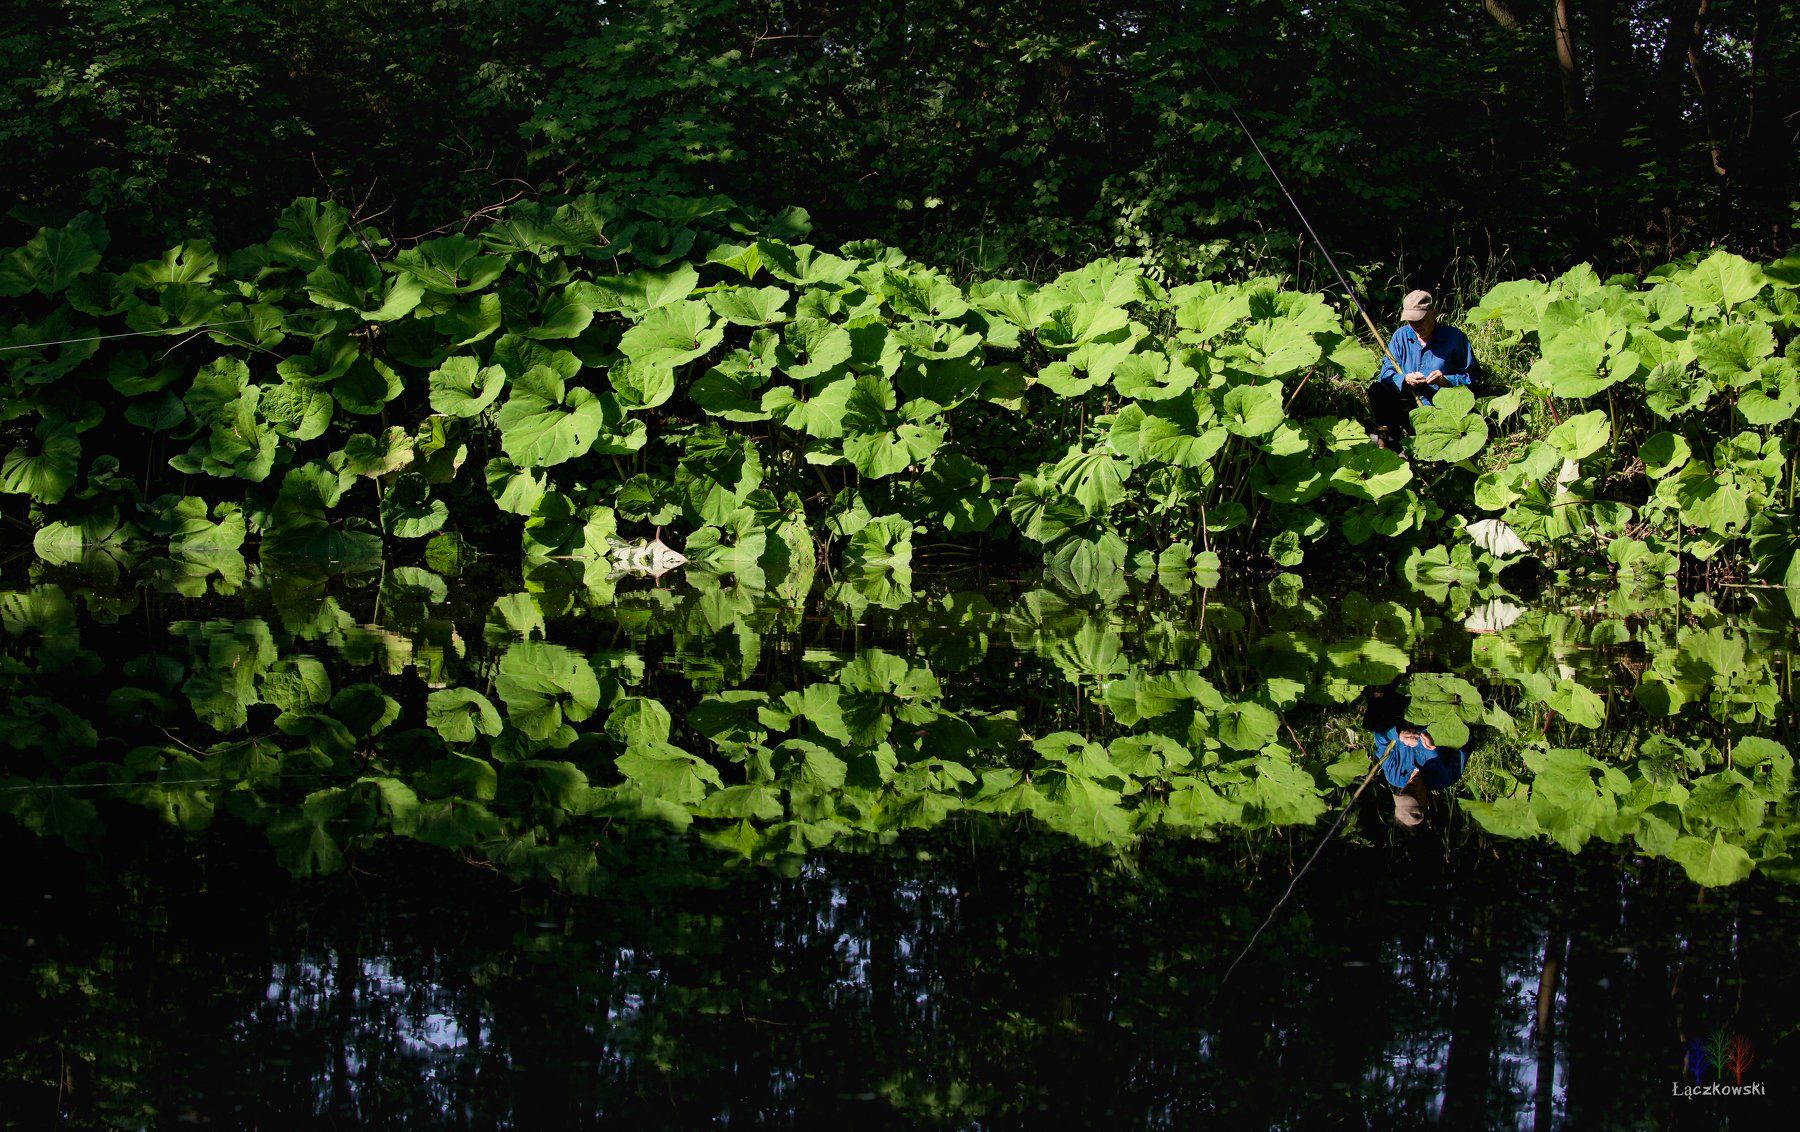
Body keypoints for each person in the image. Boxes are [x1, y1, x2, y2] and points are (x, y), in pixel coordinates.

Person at [1367, 289, 1477, 447]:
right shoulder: (1401, 336)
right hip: (1406, 403)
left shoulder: (1454, 338)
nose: (1415, 325)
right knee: (1377, 390)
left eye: (1420, 320)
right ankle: (1388, 442)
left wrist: (1446, 380)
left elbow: (1473, 376)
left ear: (1433, 313)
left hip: (1439, 408)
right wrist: (1404, 379)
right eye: (1410, 321)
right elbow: (1385, 374)